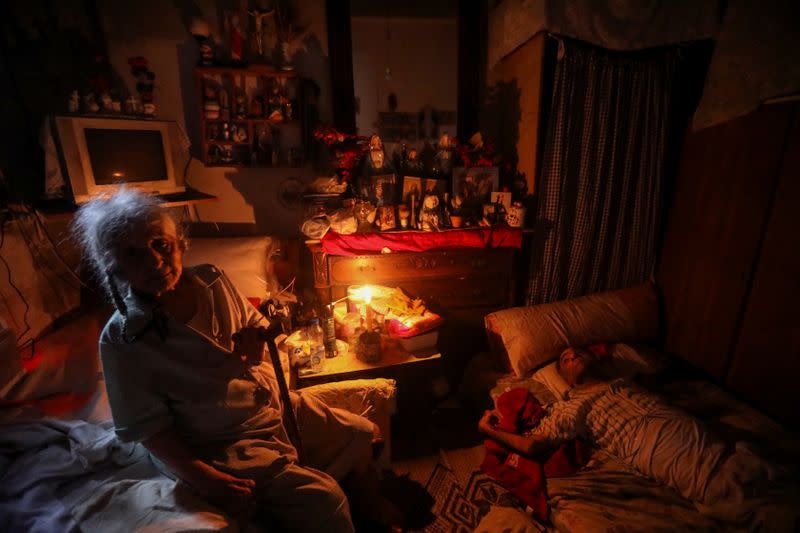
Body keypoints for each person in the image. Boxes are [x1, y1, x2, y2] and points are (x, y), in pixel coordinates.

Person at [73, 188, 401, 532]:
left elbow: (255, 328)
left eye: (160, 244)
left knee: (362, 433)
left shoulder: (213, 281)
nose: (154, 261)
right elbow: (152, 432)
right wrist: (208, 479)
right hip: (221, 441)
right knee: (327, 502)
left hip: (268, 406)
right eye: (133, 254)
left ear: (179, 241)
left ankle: (369, 508)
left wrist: (256, 343)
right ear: (116, 267)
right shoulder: (122, 340)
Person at [478, 346, 797, 527]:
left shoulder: (626, 381)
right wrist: (488, 429)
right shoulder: (572, 405)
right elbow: (533, 445)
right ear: (565, 379)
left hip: (734, 455)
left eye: (577, 351)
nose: (572, 354)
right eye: (564, 358)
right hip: (704, 477)